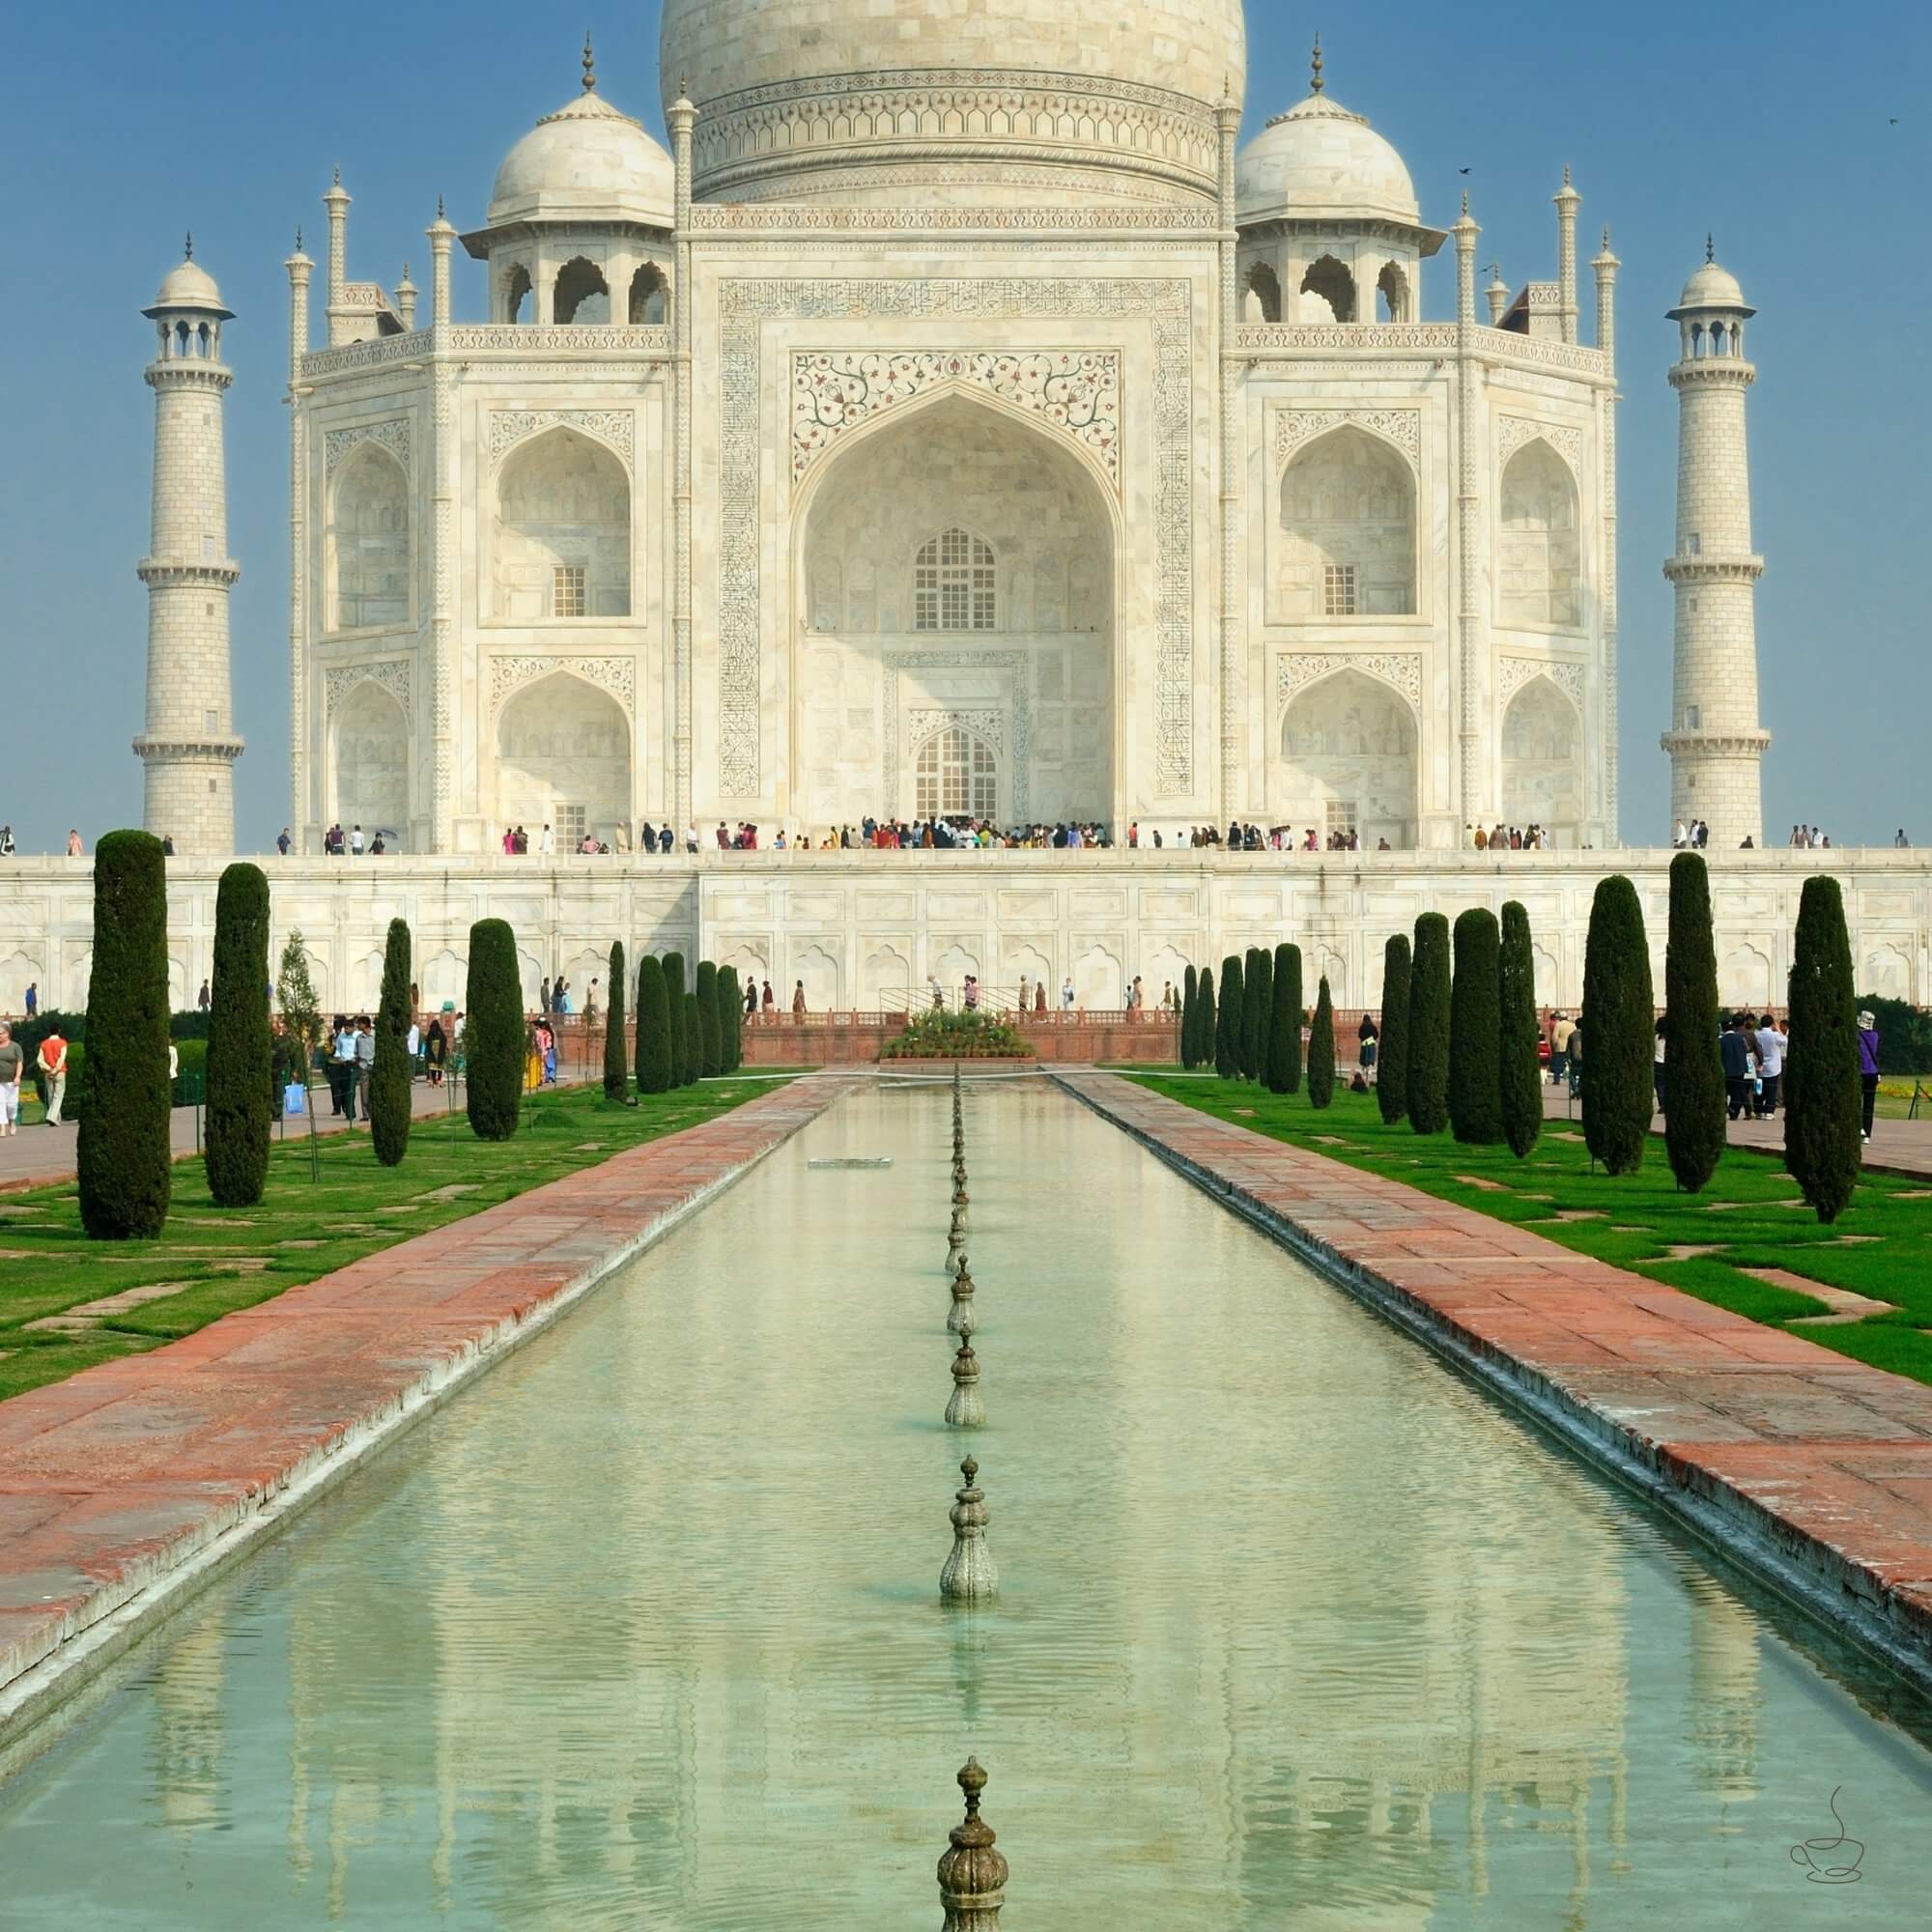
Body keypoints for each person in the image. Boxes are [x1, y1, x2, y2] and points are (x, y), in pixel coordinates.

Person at [1719, 1012, 1756, 1122]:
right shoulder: (1740, 1038)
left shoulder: (1722, 1040)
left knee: (1729, 1091)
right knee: (1740, 1090)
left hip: (1728, 1069)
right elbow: (1747, 1049)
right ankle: (1742, 1111)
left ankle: (1733, 1111)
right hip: (1741, 1068)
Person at [1752, 1011, 1784, 1118]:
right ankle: (1769, 1111)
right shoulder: (1774, 1035)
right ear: (1772, 1024)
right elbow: (1785, 1041)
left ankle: (1758, 1110)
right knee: (1771, 1089)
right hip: (1773, 1067)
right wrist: (1778, 1028)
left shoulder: (1756, 1034)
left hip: (1760, 1066)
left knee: (1759, 1089)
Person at [36, 1026, 68, 1126]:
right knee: (58, 1096)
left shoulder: (44, 1043)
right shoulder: (62, 1043)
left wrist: (49, 1069)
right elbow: (61, 1058)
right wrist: (55, 1069)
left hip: (47, 1072)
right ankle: (52, 1117)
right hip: (59, 1072)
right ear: (59, 1031)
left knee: (51, 1095)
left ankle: (56, 1118)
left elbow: (39, 1060)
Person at [1858, 1009, 1882, 1142]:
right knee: (1869, 1105)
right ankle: (1867, 1134)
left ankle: (1860, 1127)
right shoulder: (1875, 1036)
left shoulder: (1857, 1036)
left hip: (1861, 1073)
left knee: (1857, 1102)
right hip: (1873, 1073)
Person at [0, 1023, 22, 1137]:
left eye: (1, 1033)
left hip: (12, 1081)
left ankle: (12, 1121)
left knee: (12, 1105)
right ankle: (2, 1128)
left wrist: (17, 1076)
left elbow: (19, 1062)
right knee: (1, 1103)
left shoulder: (15, 1046)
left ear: (7, 1034)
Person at [353, 1014, 376, 1120]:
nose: (358, 1025)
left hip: (374, 1066)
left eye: (360, 1023)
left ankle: (376, 1112)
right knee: (364, 1092)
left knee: (375, 1091)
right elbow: (356, 1052)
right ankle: (366, 1114)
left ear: (365, 1024)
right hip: (363, 1067)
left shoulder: (376, 1036)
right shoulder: (359, 1038)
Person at [1548, 1012, 1574, 1089]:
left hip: (1560, 1047)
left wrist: (1555, 1045)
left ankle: (1557, 1080)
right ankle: (1572, 1081)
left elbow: (1554, 1037)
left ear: (1560, 1018)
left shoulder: (1558, 1025)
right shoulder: (1572, 1025)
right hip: (1569, 1047)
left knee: (1557, 1064)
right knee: (1570, 1064)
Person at [425, 1014, 447, 1086]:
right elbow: (444, 1039)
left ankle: (434, 1080)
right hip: (439, 1051)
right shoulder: (440, 1032)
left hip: (433, 1051)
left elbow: (427, 1041)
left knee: (433, 1067)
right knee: (439, 1066)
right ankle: (438, 1079)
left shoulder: (431, 1032)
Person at [1654, 1016, 1668, 1115]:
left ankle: (1662, 1104)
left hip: (1658, 1063)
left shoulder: (1655, 1037)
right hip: (1667, 1063)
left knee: (1659, 1085)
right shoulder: (1670, 1037)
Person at [1358, 1011, 1379, 1076]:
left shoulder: (1362, 1027)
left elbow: (1359, 1035)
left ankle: (1363, 1070)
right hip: (1371, 1043)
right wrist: (1372, 1038)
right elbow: (1377, 1034)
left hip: (1364, 1044)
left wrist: (1363, 1039)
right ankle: (1369, 1070)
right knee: (1371, 1057)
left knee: (1364, 1057)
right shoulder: (1373, 1027)